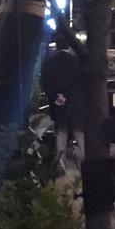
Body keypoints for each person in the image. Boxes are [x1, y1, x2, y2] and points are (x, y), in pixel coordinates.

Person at [40, 33, 84, 173]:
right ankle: (88, 162)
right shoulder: (77, 62)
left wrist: (56, 96)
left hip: (58, 105)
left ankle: (61, 165)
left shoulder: (48, 63)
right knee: (79, 133)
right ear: (69, 46)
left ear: (56, 46)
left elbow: (45, 83)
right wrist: (69, 96)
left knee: (61, 134)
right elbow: (81, 84)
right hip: (75, 103)